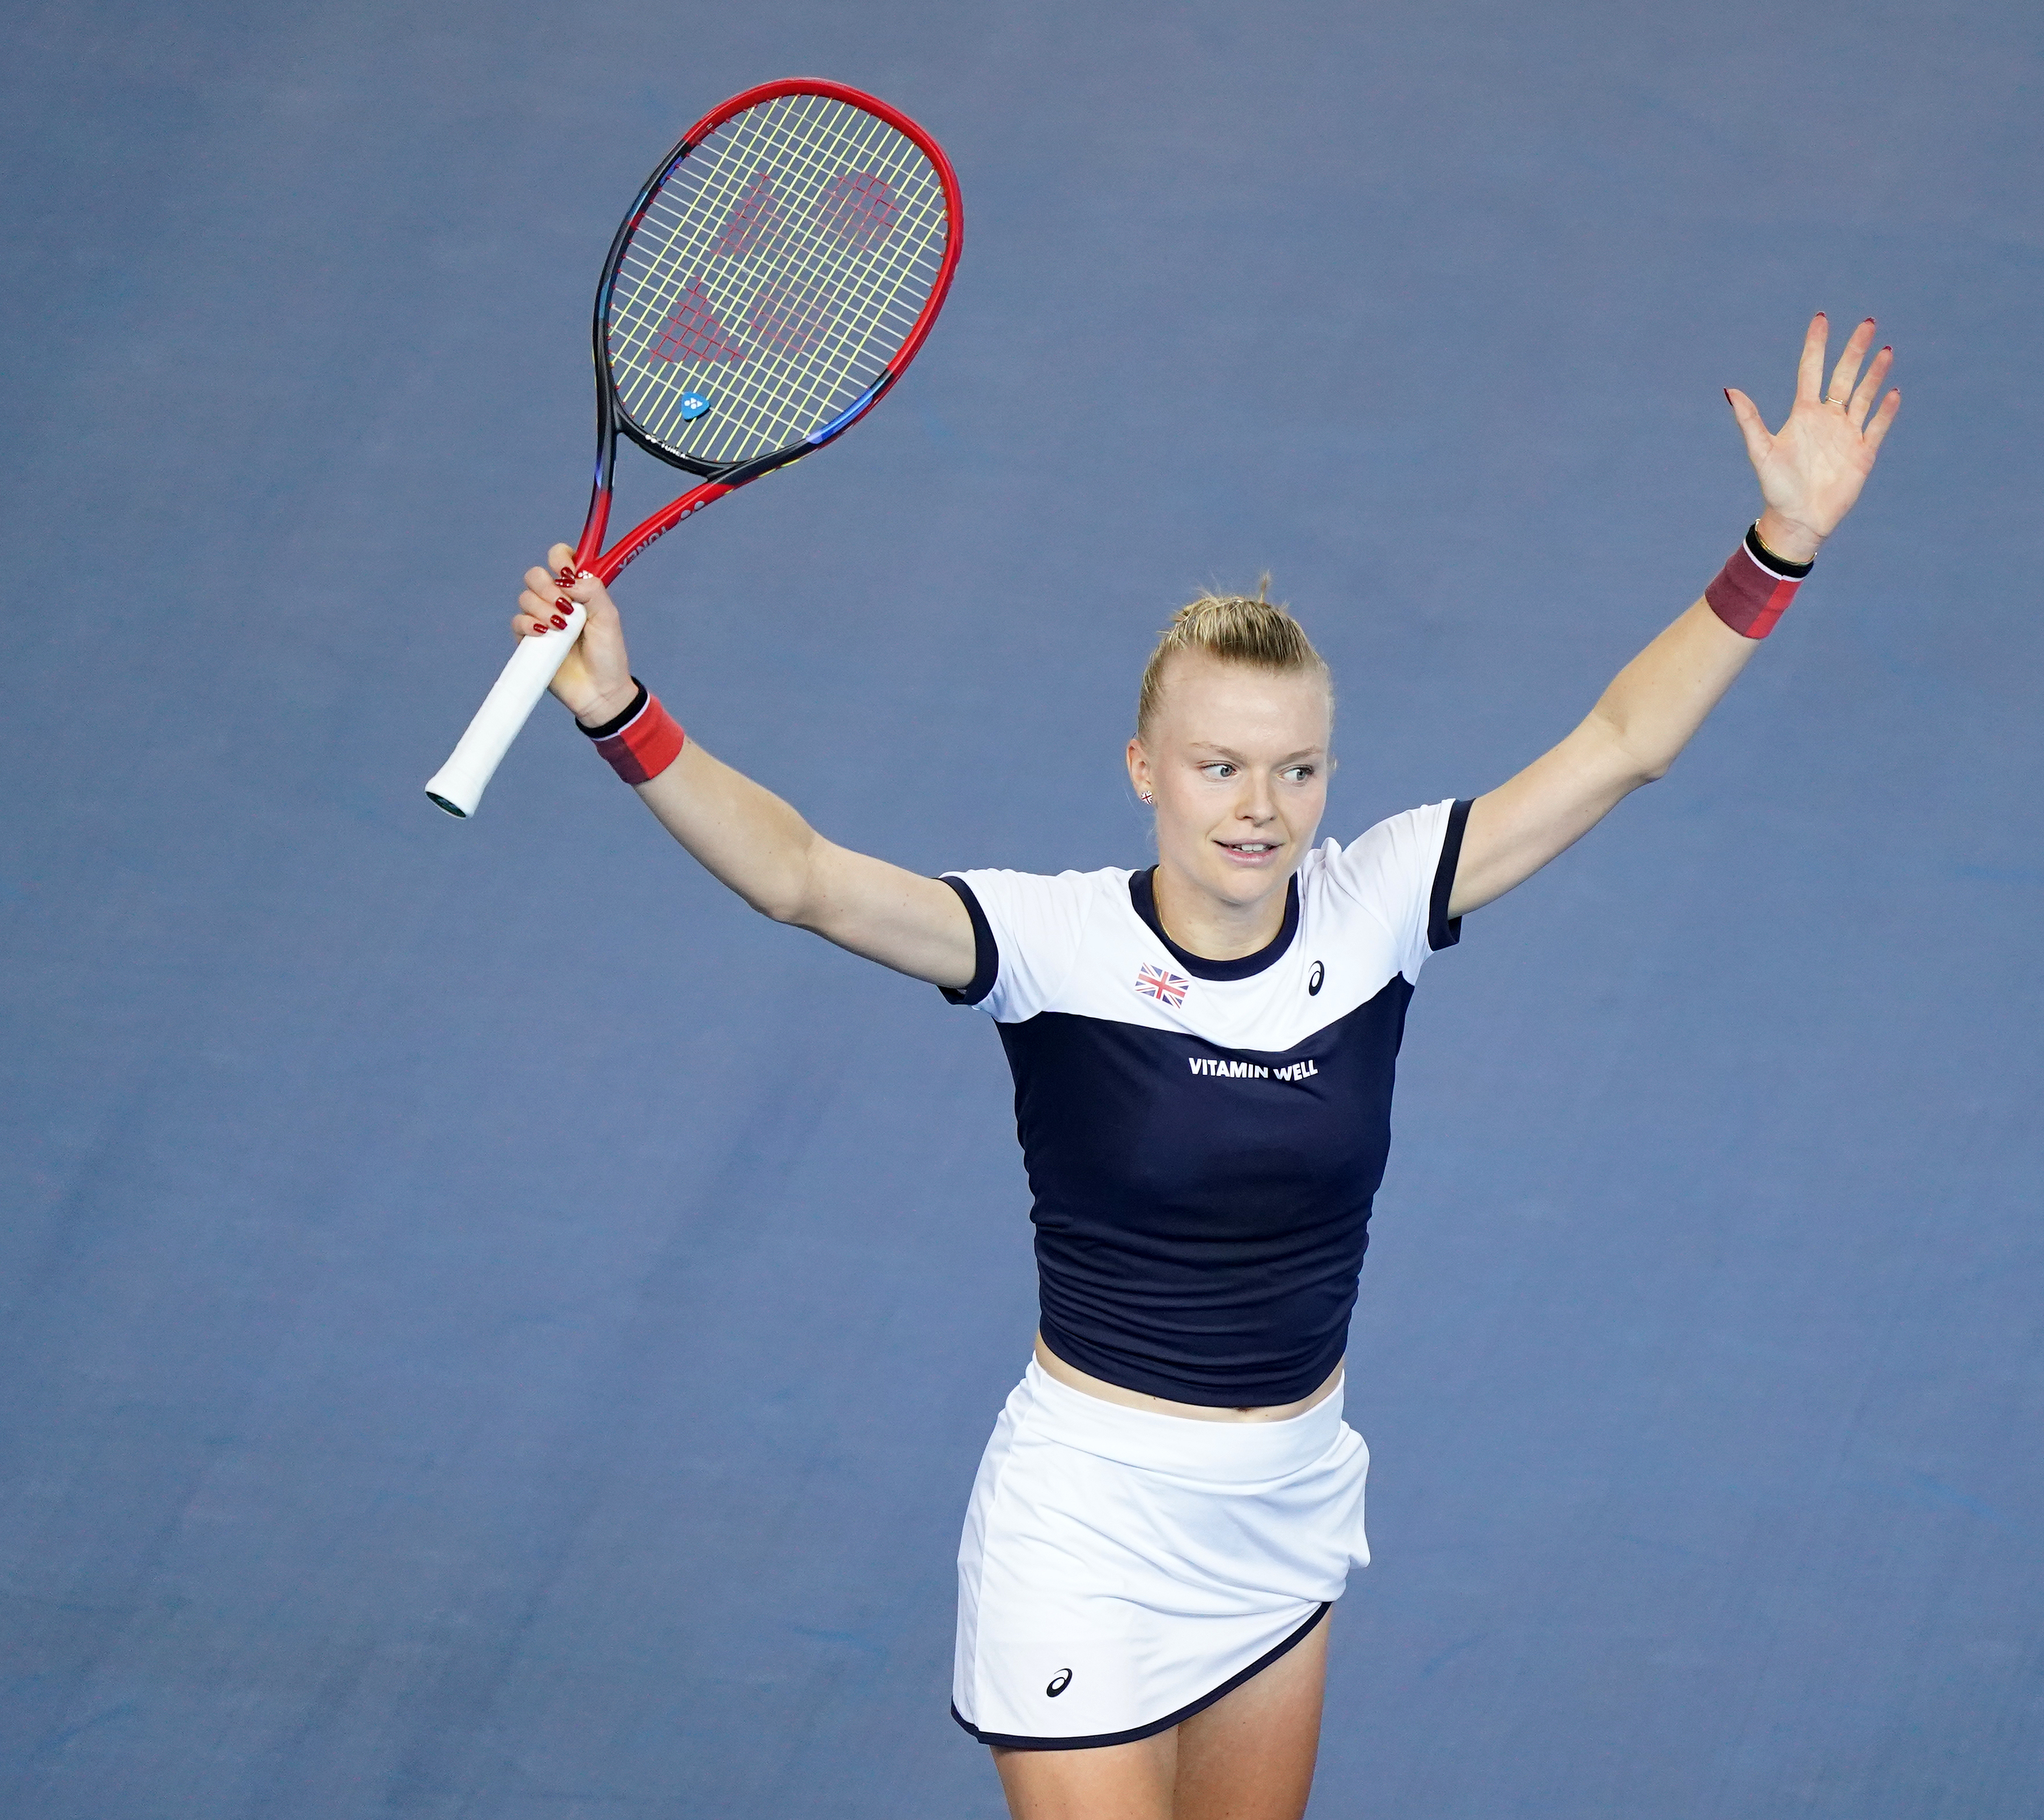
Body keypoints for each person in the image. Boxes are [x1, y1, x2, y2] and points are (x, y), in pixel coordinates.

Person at [511, 314, 1896, 1820]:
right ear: (1142, 769)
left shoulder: (1379, 910)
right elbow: (797, 877)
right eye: (1219, 765)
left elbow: (1623, 741)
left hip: (1286, 1511)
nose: (1260, 807)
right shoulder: (1044, 943)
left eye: (1296, 769)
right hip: (1090, 1522)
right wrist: (617, 710)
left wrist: (1778, 544)